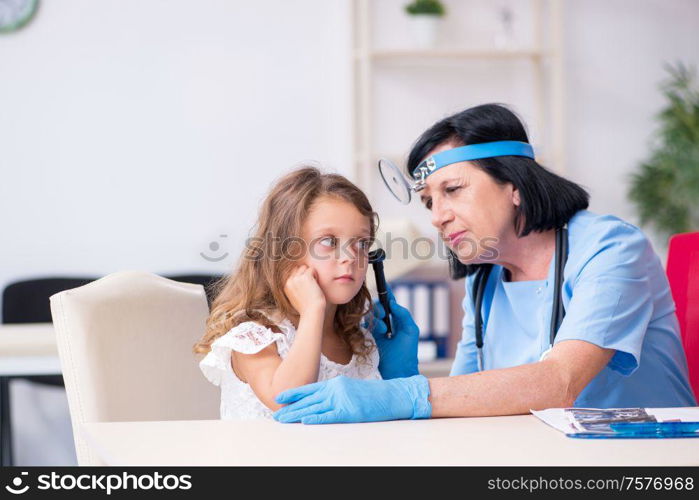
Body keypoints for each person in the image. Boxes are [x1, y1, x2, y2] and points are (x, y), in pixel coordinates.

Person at [272, 103, 697, 425]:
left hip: (643, 455)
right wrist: (403, 372)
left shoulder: (611, 248)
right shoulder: (485, 280)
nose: (437, 215)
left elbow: (561, 382)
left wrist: (403, 395)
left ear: (513, 184)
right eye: (428, 202)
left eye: (453, 189)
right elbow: (466, 401)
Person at [194, 166, 382, 419]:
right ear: (284, 251)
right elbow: (289, 403)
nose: (350, 257)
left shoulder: (358, 340)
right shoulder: (254, 337)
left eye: (361, 243)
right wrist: (312, 311)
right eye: (329, 241)